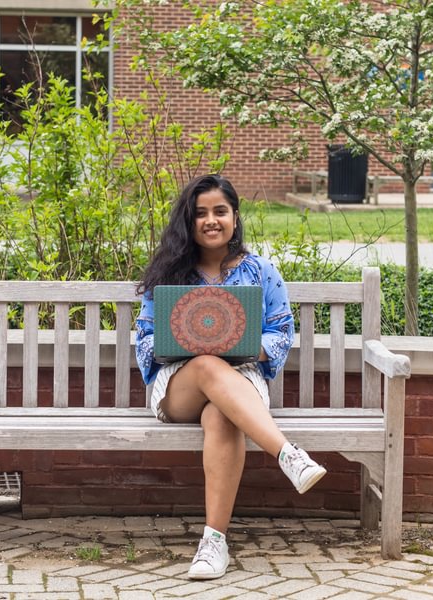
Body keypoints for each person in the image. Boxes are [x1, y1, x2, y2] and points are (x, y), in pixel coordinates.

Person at [135, 174, 327, 580]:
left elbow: (281, 333)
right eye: (200, 213)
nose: (211, 220)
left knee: (222, 416)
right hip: (180, 384)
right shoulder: (171, 274)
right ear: (189, 222)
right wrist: (184, 343)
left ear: (235, 218)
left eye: (220, 211)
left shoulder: (261, 271)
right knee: (205, 363)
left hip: (242, 381)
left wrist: (239, 344)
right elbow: (145, 340)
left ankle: (213, 544)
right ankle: (288, 454)